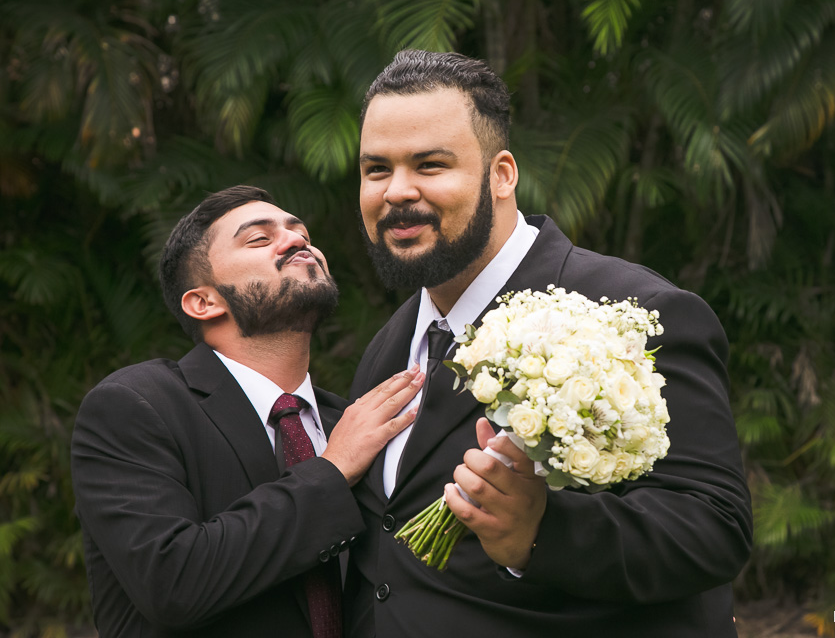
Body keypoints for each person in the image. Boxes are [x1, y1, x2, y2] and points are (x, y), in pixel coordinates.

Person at [346, 50, 753, 637]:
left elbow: (712, 530)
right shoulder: (390, 347)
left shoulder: (639, 314)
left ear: (502, 174)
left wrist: (540, 532)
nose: (397, 191)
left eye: (430, 165)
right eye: (376, 169)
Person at [71, 185, 424, 637]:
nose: (298, 240)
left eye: (301, 232)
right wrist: (331, 472)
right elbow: (173, 582)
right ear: (204, 301)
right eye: (259, 239)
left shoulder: (356, 426)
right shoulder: (135, 406)